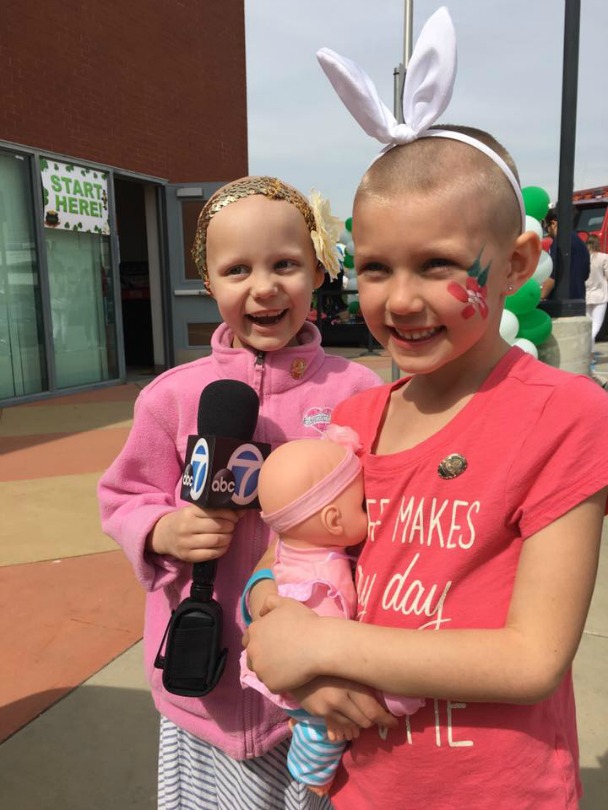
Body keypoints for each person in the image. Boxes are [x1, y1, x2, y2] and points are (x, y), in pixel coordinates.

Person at [243, 9, 608, 809]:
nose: (399, 300)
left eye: (438, 265)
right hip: (361, 786)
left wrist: (328, 645)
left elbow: (531, 659)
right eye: (374, 268)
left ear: (516, 262)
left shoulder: (565, 416)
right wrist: (267, 614)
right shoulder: (360, 419)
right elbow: (292, 562)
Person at [97, 175, 383, 810]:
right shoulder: (171, 396)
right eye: (237, 270)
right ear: (208, 282)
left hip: (315, 689)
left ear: (318, 268)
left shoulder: (358, 391)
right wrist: (161, 530)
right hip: (206, 683)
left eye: (285, 264)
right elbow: (123, 496)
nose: (263, 286)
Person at [239, 426, 423, 796]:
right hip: (316, 676)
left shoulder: (295, 549)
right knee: (323, 731)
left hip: (298, 665)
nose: (369, 515)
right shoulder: (318, 580)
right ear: (334, 522)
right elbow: (321, 640)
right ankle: (313, 777)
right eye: (362, 507)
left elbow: (262, 578)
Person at [544, 207, 590, 299]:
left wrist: (542, 294)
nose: (547, 232)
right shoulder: (581, 243)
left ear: (553, 224)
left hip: (560, 301)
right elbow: (586, 274)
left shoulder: (560, 241)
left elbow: (554, 272)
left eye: (547, 228)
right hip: (578, 298)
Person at [585, 233, 608, 347]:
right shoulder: (604, 257)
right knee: (596, 325)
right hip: (601, 295)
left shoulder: (584, 257)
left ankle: (591, 353)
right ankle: (586, 346)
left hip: (586, 294)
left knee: (589, 325)